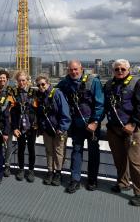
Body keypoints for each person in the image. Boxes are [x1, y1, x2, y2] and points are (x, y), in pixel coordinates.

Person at [57, 60, 104, 193]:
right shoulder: (66, 83)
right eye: (71, 70)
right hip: (77, 124)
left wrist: (95, 122)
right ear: (68, 70)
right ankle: (75, 179)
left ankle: (92, 179)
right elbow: (53, 91)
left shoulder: (93, 82)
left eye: (76, 69)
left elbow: (100, 103)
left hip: (92, 124)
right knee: (76, 151)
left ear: (81, 68)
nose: (74, 72)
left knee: (93, 152)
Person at [104, 59, 140, 206]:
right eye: (116, 69)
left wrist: (132, 123)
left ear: (128, 70)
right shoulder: (109, 85)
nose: (119, 72)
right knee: (119, 159)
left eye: (122, 69)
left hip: (131, 130)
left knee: (135, 162)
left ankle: (138, 192)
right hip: (113, 129)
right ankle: (123, 183)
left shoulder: (136, 83)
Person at [35, 75, 71, 186]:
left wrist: (62, 128)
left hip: (58, 129)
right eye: (38, 85)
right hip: (47, 129)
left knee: (59, 152)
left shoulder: (57, 94)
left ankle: (58, 173)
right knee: (49, 151)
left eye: (43, 84)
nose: (41, 87)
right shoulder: (40, 96)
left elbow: (65, 112)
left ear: (48, 83)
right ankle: (50, 171)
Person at [10, 71, 38, 182]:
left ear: (27, 81)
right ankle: (21, 169)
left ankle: (31, 170)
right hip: (19, 126)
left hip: (32, 125)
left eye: (23, 80)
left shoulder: (34, 92)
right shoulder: (13, 93)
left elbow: (37, 110)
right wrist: (14, 128)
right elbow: (12, 112)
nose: (21, 82)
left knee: (31, 148)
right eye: (19, 80)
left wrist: (37, 124)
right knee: (21, 148)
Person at [0, 70, 13, 177]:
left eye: (4, 78)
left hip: (7, 122)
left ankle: (7, 165)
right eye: (0, 78)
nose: (2, 80)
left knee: (8, 145)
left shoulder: (10, 91)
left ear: (7, 80)